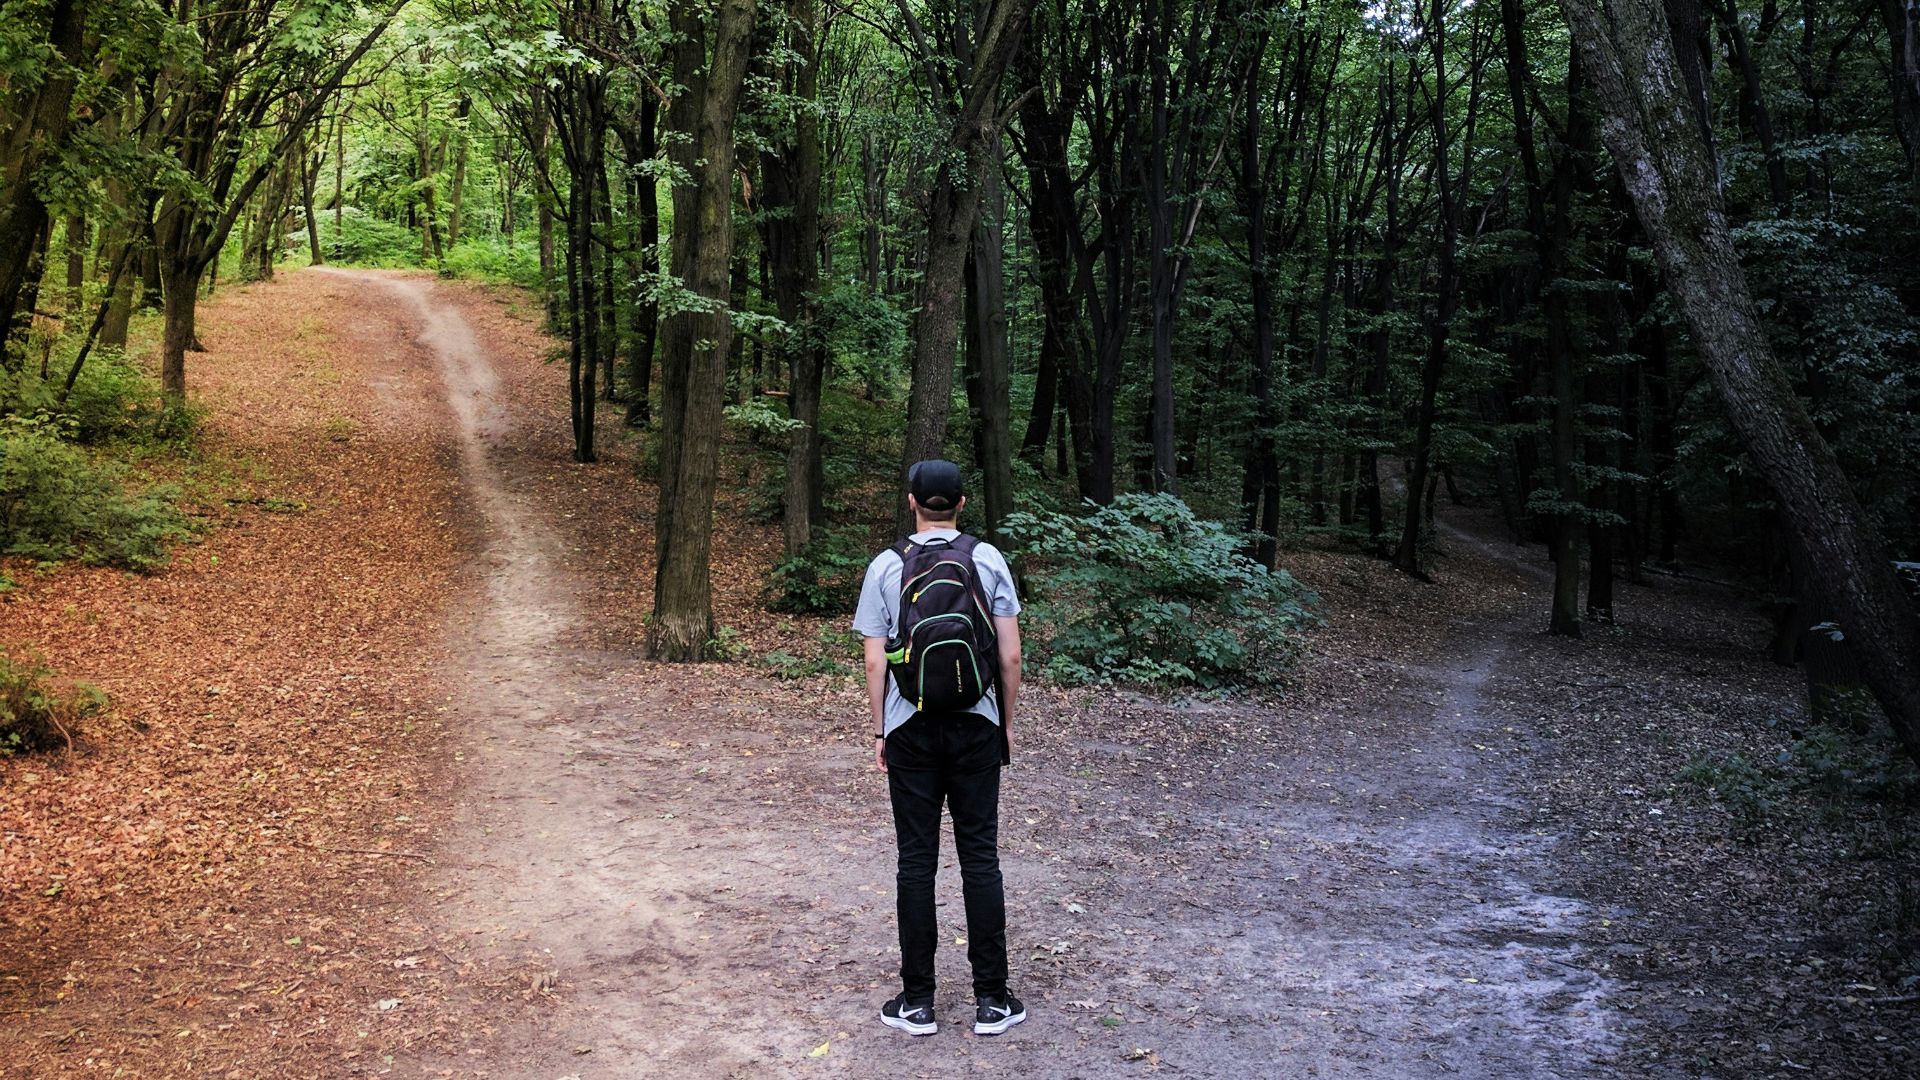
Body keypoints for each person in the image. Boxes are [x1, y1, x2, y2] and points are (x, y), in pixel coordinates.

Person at [852, 459, 1026, 1037]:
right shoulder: (988, 558)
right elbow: (1010, 657)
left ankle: (918, 1002)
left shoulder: (885, 565)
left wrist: (881, 729)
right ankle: (993, 1000)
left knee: (915, 860)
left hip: (911, 727)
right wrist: (1004, 723)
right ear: (961, 502)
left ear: (911, 502)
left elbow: (876, 659)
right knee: (980, 857)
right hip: (977, 723)